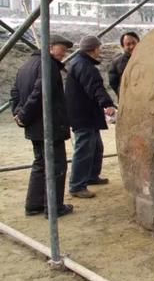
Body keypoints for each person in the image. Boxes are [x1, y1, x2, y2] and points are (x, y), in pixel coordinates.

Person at [10, 35, 75, 217]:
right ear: (50, 47)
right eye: (61, 49)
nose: (64, 53)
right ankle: (53, 207)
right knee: (56, 165)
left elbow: (15, 92)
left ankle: (34, 205)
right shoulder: (49, 66)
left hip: (34, 126)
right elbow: (40, 93)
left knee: (40, 164)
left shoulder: (25, 65)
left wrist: (18, 114)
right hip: (49, 125)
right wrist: (23, 115)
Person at [66, 35, 116, 198]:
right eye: (98, 48)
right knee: (84, 149)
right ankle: (77, 186)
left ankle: (91, 176)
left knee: (95, 147)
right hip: (83, 115)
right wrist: (106, 104)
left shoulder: (81, 63)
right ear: (93, 49)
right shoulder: (83, 65)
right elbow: (95, 87)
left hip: (87, 114)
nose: (100, 51)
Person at [108, 31, 139, 98]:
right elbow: (113, 83)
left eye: (134, 43)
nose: (132, 46)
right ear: (123, 46)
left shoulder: (148, 59)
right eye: (128, 44)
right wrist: (122, 95)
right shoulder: (116, 63)